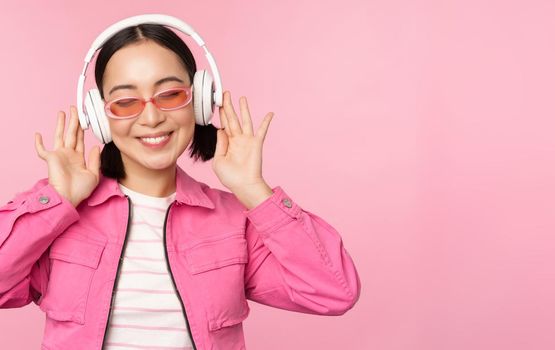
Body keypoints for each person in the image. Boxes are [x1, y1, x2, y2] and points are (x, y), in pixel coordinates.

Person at [0, 16, 361, 350]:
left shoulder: (235, 222)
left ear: (200, 101)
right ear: (99, 115)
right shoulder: (59, 214)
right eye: (126, 102)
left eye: (170, 94)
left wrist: (254, 191)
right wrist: (58, 198)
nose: (153, 117)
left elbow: (334, 292)